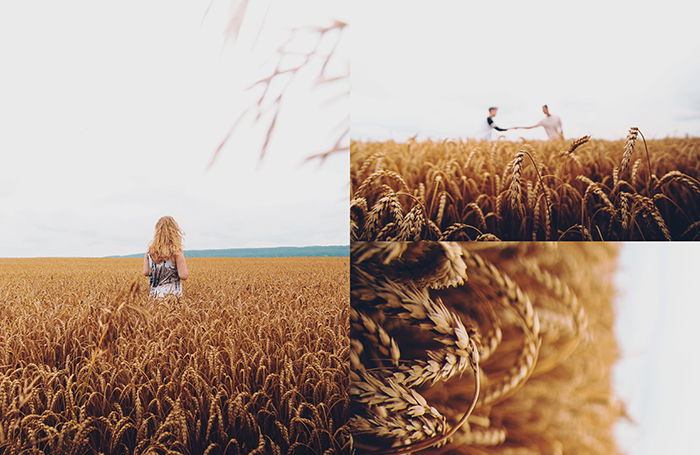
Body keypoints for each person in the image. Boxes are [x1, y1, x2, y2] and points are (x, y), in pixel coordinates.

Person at [143, 216, 188, 297]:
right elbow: (183, 275)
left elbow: (146, 272)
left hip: (154, 294)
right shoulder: (177, 253)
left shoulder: (149, 252)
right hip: (173, 295)